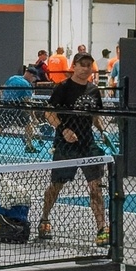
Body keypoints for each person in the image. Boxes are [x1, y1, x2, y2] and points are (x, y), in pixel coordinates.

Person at [37, 52, 111, 245]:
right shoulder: (63, 88)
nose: (86, 68)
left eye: (89, 65)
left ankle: (102, 229)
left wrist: (103, 132)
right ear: (74, 66)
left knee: (96, 187)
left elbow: (95, 116)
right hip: (65, 146)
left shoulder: (94, 90)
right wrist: (64, 130)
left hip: (87, 145)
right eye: (82, 64)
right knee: (56, 185)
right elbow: (49, 114)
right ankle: (44, 219)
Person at [0, 66, 39, 153]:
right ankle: (29, 146)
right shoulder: (27, 85)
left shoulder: (13, 78)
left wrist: (2, 99)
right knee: (28, 126)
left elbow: (2, 89)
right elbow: (27, 102)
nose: (34, 80)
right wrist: (33, 117)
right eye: (34, 78)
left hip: (5, 105)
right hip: (18, 107)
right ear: (30, 75)